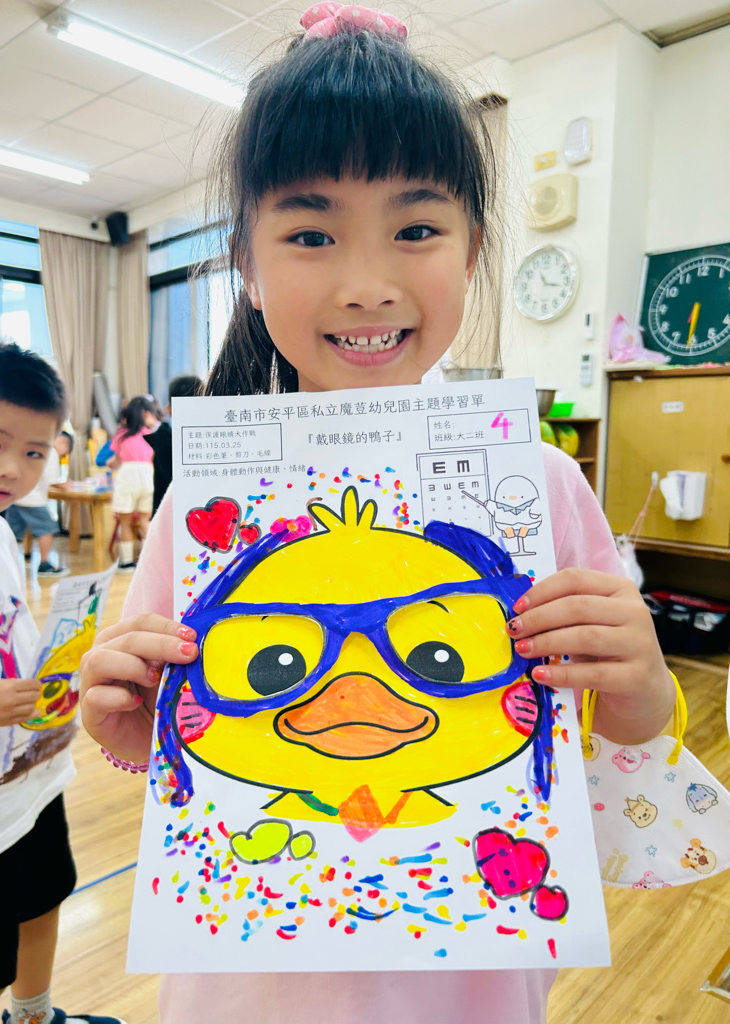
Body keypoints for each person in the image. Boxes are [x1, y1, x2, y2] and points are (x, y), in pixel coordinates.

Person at [79, 9, 677, 1024]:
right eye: (311, 234)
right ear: (248, 264)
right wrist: (126, 723)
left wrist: (644, 689)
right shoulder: (205, 507)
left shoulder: (537, 484)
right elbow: (187, 760)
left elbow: (606, 759)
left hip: (469, 978)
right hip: (249, 981)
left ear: (473, 248)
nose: (366, 285)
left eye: (416, 229)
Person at [0, 343, 124, 1024]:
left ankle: (34, 1017)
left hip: (29, 773)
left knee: (45, 899)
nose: (12, 468)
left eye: (34, 452)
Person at [5, 430, 73, 577]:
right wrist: (65, 485)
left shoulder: (31, 447)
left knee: (12, 533)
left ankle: (6, 564)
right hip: (32, 498)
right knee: (47, 529)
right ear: (63, 443)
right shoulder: (50, 452)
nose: (63, 455)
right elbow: (51, 480)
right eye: (65, 452)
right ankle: (45, 564)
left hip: (14, 495)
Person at [109, 396, 158, 572]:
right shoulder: (150, 434)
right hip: (148, 477)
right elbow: (152, 458)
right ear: (147, 414)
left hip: (127, 478)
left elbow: (117, 460)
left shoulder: (121, 434)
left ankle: (126, 562)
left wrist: (111, 463)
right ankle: (148, 562)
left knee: (125, 522)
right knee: (145, 520)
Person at [144, 375, 202, 516]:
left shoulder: (163, 437)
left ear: (169, 409)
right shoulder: (208, 440)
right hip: (187, 514)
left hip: (170, 514)